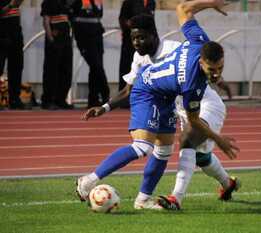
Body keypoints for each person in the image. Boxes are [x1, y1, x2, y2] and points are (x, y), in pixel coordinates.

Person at [76, 0, 239, 210]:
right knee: (146, 146)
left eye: (140, 37)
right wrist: (220, 140)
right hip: (149, 91)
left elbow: (183, 8)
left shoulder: (196, 43)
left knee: (167, 151)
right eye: (133, 38)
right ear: (201, 62)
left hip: (170, 99)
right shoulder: (188, 82)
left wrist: (212, 3)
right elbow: (192, 118)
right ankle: (88, 180)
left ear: (154, 35)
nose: (136, 42)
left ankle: (143, 200)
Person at [69, 0, 110, 108]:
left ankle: (93, 99)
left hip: (97, 35)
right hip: (84, 35)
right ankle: (106, 93)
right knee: (96, 65)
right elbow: (71, 14)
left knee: (96, 67)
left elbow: (99, 14)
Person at [118, 0, 156, 98]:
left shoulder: (151, 2)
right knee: (127, 66)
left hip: (146, 42)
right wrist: (135, 27)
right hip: (129, 41)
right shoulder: (128, 2)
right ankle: (125, 96)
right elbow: (122, 19)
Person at [41, 0, 73, 110]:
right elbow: (46, 20)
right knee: (51, 71)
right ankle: (48, 100)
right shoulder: (49, 2)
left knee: (66, 70)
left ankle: (60, 99)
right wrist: (50, 38)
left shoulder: (66, 3)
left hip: (66, 39)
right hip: (55, 39)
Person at [0, 0, 25, 109]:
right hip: (2, 33)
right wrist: (10, 5)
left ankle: (15, 99)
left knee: (17, 67)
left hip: (16, 33)